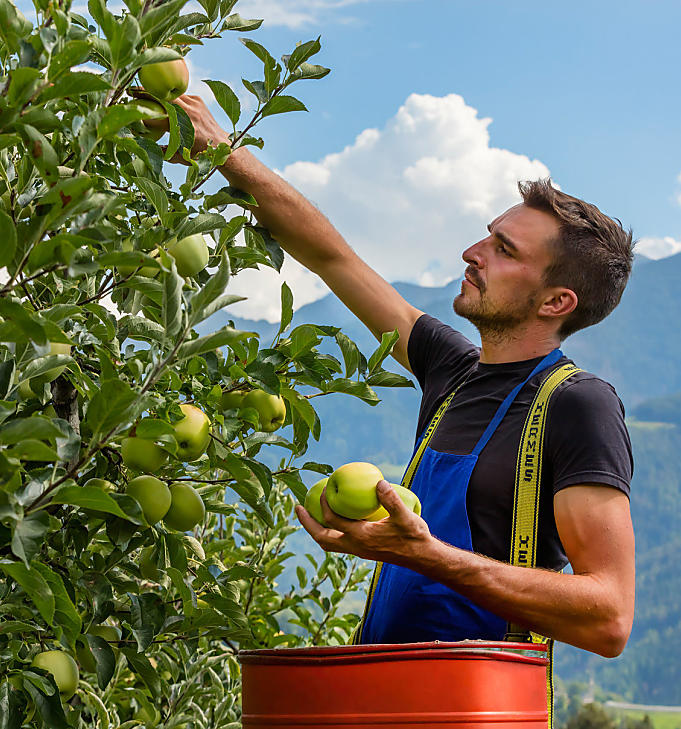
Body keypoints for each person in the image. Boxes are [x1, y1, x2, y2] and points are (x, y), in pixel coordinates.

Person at [170, 95, 635, 660]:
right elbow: (333, 258)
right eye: (487, 235)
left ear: (557, 301)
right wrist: (223, 152)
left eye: (503, 250)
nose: (472, 252)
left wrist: (426, 555)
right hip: (385, 690)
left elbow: (609, 618)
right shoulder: (451, 371)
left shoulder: (577, 405)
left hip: (478, 712)